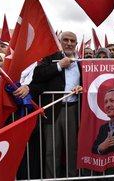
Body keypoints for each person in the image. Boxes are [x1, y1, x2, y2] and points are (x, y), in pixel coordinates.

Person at [29, 31, 82, 178]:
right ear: (60, 42)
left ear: (76, 44)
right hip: (53, 110)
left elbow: (90, 82)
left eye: (73, 41)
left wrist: (82, 88)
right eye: (66, 40)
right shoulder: (51, 58)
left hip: (73, 110)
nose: (69, 43)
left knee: (73, 150)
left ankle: (73, 178)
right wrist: (59, 65)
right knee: (51, 151)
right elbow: (37, 76)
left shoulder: (83, 62)